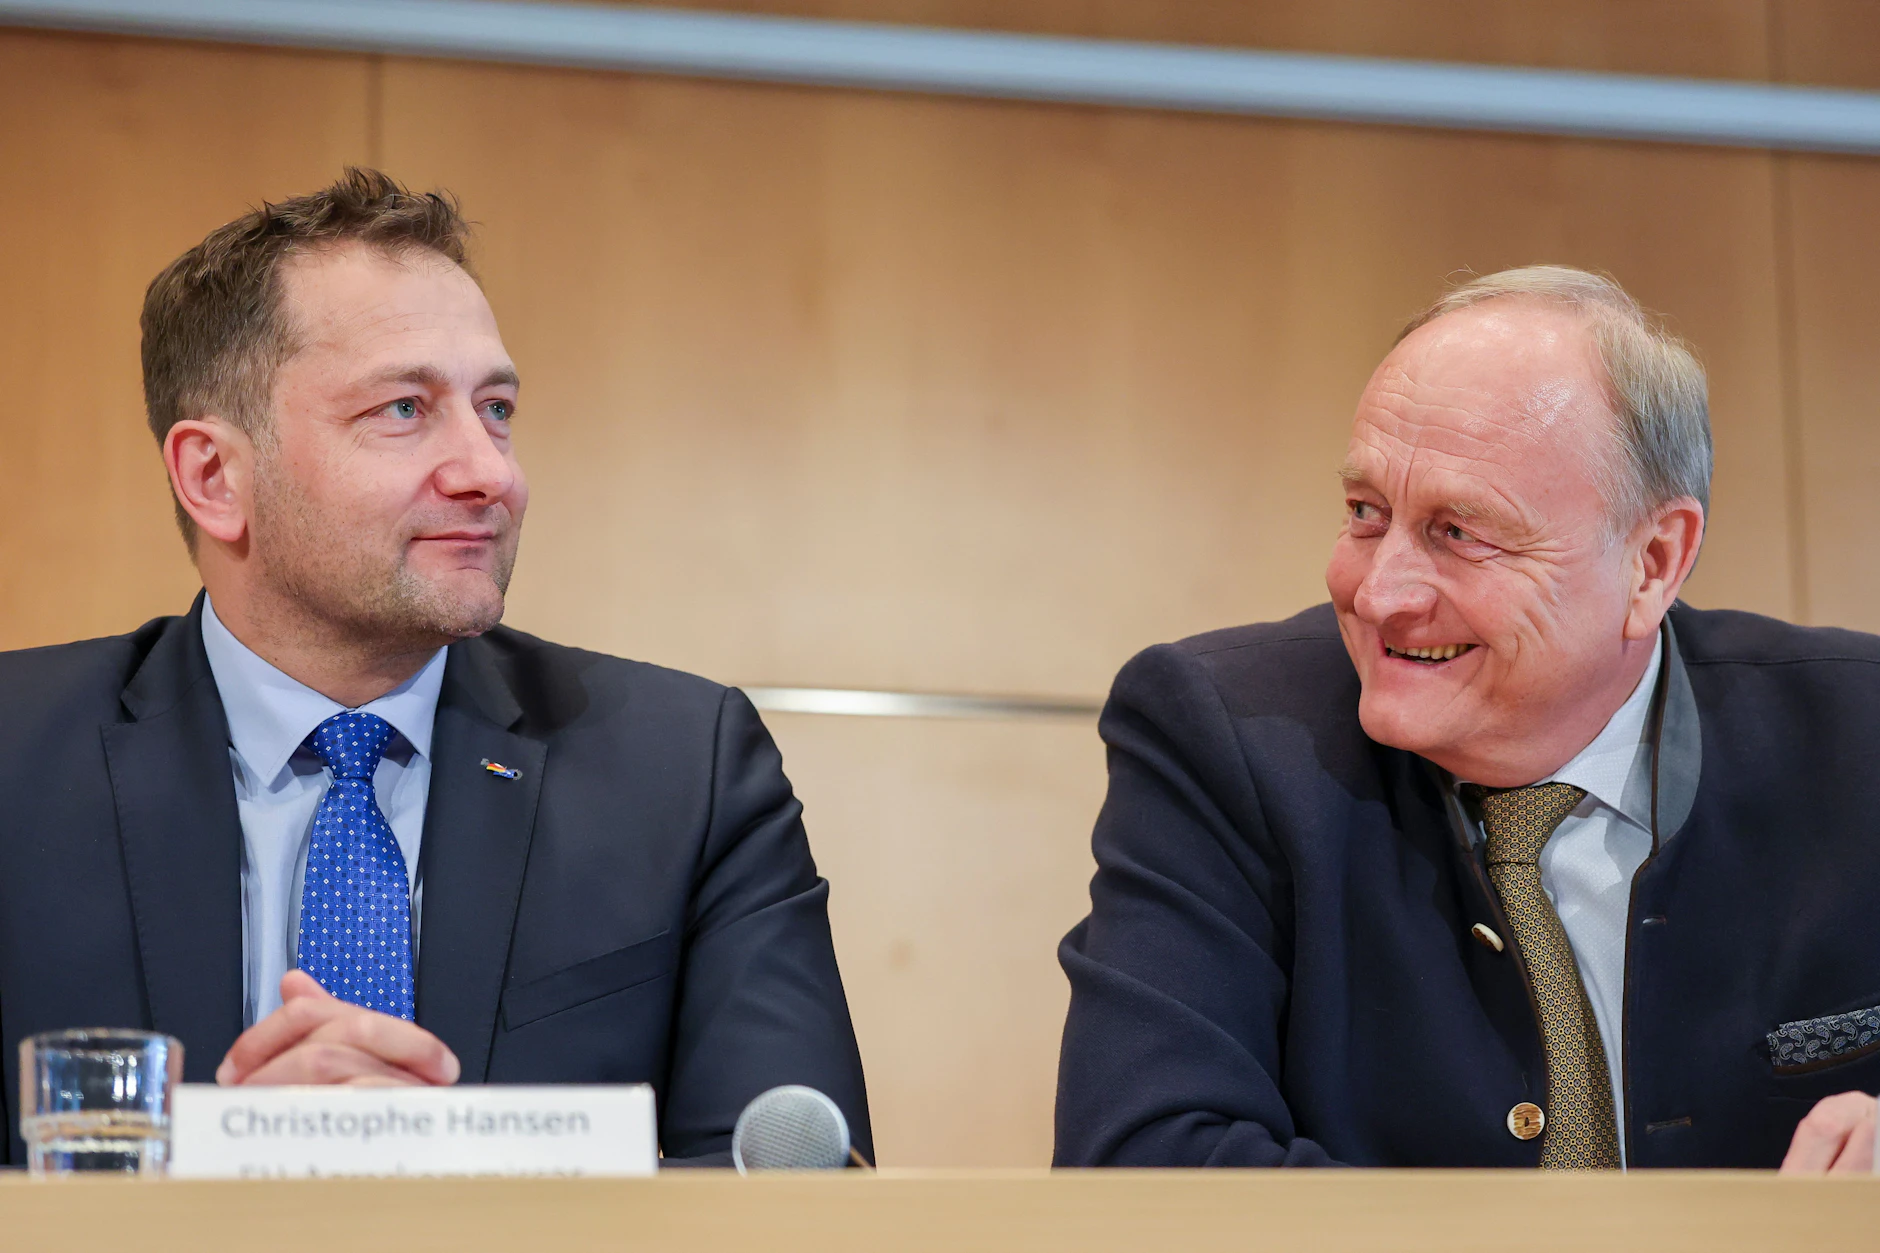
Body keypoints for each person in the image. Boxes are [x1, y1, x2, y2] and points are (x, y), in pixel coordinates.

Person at [0, 169, 868, 1165]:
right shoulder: (13, 758)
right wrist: (212, 1168)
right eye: (404, 409)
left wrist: (454, 1167)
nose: (490, 471)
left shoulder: (683, 770)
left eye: (495, 408)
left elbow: (800, 1186)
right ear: (214, 477)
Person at [1055, 266, 1879, 1173]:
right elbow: (1145, 1163)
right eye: (1366, 513)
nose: (1380, 593)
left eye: (1460, 532)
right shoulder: (1222, 737)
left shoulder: (1860, 736)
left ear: (1652, 561)